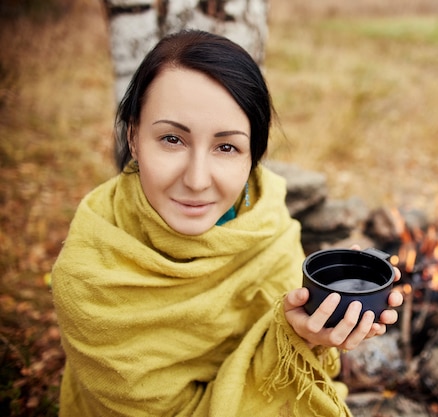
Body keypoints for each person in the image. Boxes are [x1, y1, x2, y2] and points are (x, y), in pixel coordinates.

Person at [52, 30, 403, 417]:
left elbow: (300, 364)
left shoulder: (267, 222)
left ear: (253, 156)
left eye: (226, 147)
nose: (197, 179)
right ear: (133, 136)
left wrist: (304, 336)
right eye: (172, 139)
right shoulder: (89, 276)